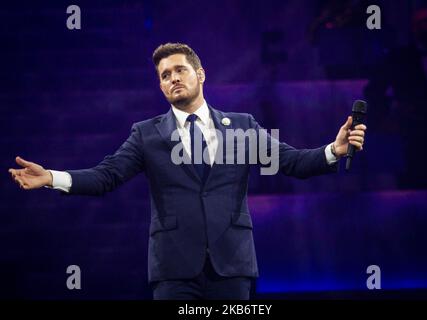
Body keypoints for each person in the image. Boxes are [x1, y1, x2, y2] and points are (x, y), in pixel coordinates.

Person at [8, 43, 366, 300]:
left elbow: (292, 162)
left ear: (200, 74)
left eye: (180, 70)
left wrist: (333, 151)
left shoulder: (241, 126)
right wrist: (52, 177)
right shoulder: (146, 134)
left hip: (232, 266)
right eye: (165, 75)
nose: (173, 78)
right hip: (174, 270)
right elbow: (107, 176)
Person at [364, 7, 427, 190]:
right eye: (423, 23)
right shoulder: (399, 59)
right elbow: (374, 90)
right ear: (414, 28)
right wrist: (390, 113)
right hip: (411, 134)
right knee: (413, 182)